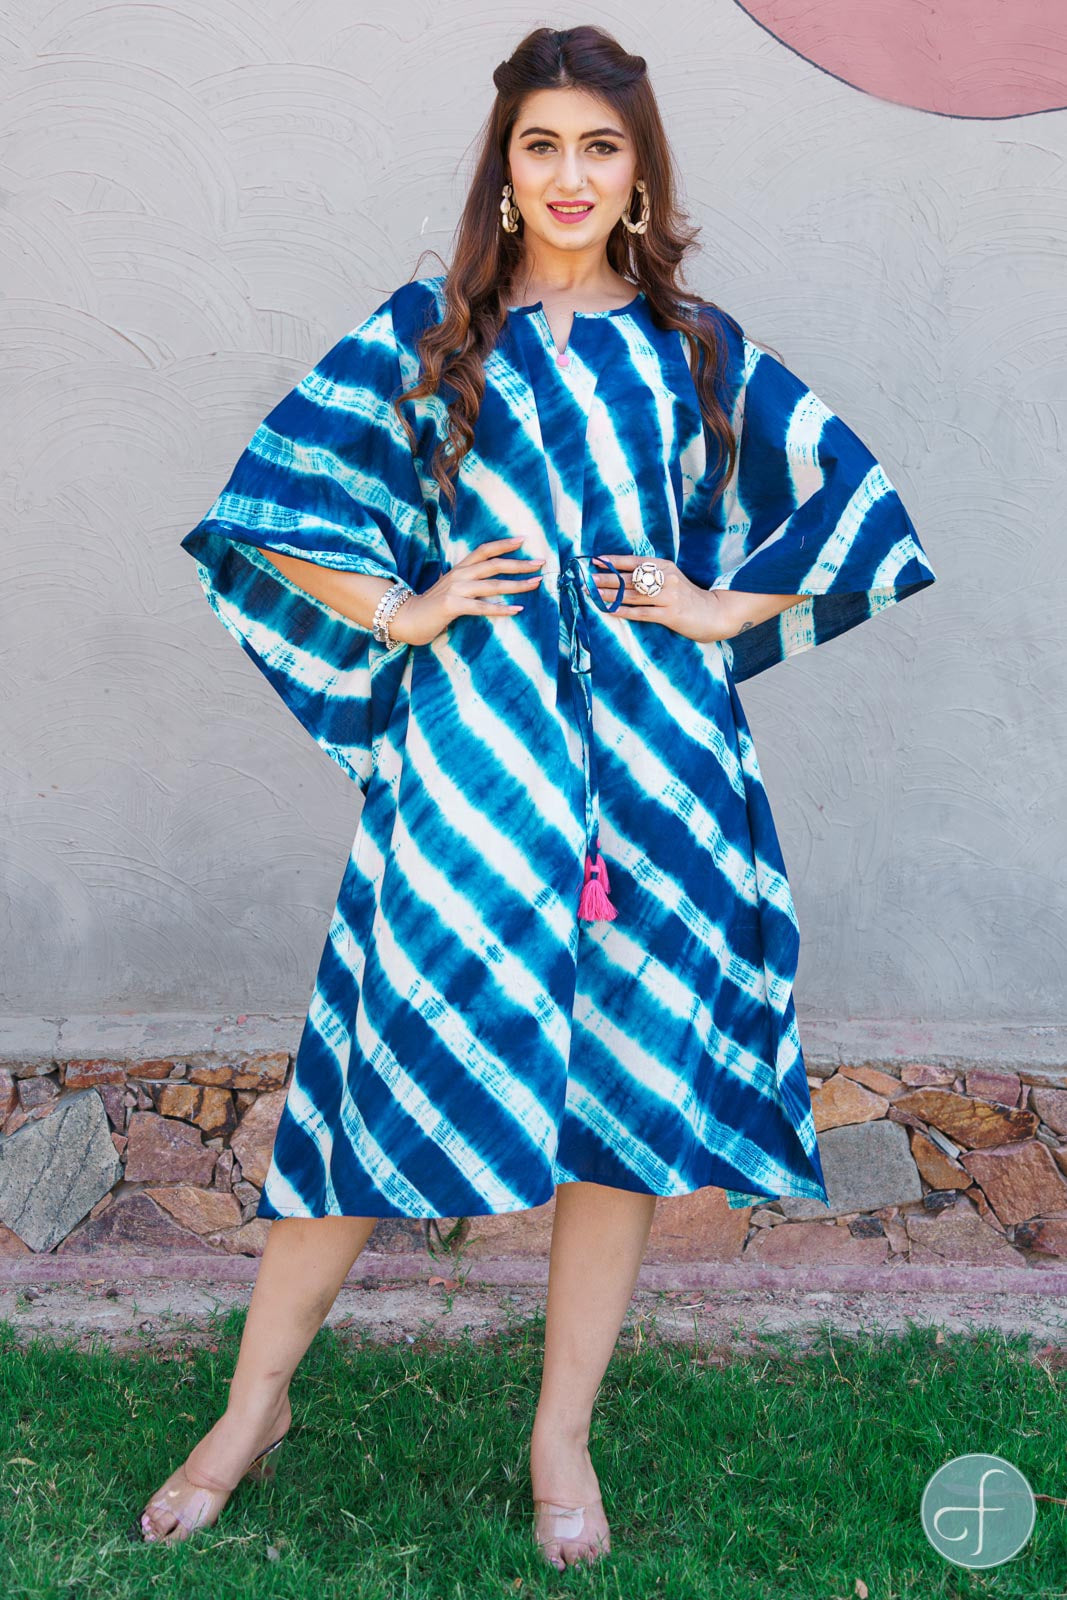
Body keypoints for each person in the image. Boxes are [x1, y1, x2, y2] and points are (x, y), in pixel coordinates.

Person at [139, 23, 937, 1571]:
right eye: (543, 145)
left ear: (640, 172)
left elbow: (852, 500)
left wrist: (718, 605)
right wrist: (403, 610)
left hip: (659, 774)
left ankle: (560, 1435)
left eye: (602, 147)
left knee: (622, 1100)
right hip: (473, 766)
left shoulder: (695, 348)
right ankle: (252, 1408)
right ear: (504, 170)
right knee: (376, 1072)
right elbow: (272, 502)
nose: (572, 175)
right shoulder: (431, 330)